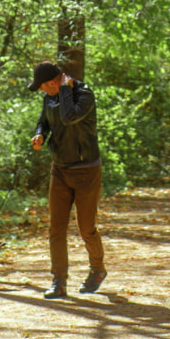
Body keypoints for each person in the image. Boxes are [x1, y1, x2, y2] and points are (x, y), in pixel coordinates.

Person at [28, 61, 107, 299]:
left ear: (53, 82)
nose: (42, 91)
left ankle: (97, 269)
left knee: (86, 229)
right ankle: (59, 281)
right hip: (60, 169)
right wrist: (40, 134)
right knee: (56, 228)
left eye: (43, 86)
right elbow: (45, 119)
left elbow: (69, 117)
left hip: (86, 170)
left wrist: (64, 89)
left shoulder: (84, 95)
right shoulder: (49, 96)